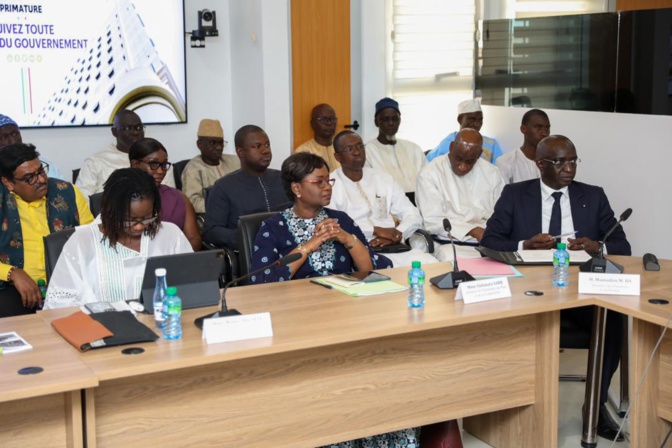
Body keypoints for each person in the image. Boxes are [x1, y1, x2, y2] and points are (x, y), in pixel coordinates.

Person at [480, 135, 630, 442]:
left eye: (573, 160)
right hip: (529, 295)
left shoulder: (593, 195)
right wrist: (525, 244)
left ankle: (595, 404)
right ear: (540, 164)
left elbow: (623, 246)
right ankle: (512, 407)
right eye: (560, 161)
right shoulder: (514, 195)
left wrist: (596, 246)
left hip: (580, 293)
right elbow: (489, 243)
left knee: (615, 320)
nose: (569, 168)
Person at [44, 168, 192, 309]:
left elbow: (191, 283)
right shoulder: (83, 241)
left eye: (146, 219)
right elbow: (60, 303)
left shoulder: (170, 233)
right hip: (101, 328)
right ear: (110, 210)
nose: (139, 227)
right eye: (129, 220)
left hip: (162, 321)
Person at [249, 152, 393, 284]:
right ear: (296, 188)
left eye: (328, 180)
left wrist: (347, 238)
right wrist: (308, 246)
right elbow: (262, 281)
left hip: (344, 300)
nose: (328, 187)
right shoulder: (273, 228)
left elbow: (370, 271)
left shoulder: (341, 220)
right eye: (319, 182)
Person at [0, 143, 94, 316]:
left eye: (41, 171)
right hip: (11, 289)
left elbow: (92, 239)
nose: (42, 180)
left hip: (69, 285)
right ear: (8, 182)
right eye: (30, 178)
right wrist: (12, 273)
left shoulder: (68, 193)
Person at [329, 130, 438, 267]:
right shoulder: (330, 186)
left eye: (359, 147)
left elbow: (412, 214)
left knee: (431, 264)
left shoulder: (383, 179)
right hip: (356, 250)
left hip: (393, 246)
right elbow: (336, 225)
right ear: (337, 157)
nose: (357, 152)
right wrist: (375, 230)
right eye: (349, 149)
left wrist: (398, 233)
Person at [416, 128, 505, 262]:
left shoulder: (492, 173)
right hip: (448, 242)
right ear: (451, 147)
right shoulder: (429, 174)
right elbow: (433, 221)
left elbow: (502, 213)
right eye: (458, 158)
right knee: (453, 259)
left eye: (470, 161)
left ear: (479, 154)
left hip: (488, 240)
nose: (462, 167)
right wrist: (473, 230)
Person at [202, 125, 289, 250]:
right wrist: (246, 237)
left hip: (289, 248)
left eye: (267, 145)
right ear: (240, 152)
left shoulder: (283, 178)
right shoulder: (223, 186)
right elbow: (211, 232)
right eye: (257, 146)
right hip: (249, 253)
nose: (265, 150)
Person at [75, 109, 175, 197]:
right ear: (114, 132)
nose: (135, 132)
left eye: (139, 128)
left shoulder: (159, 163)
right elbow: (82, 202)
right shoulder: (95, 163)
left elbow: (170, 197)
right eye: (127, 128)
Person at [129, 138, 202, 251]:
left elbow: (193, 238)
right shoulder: (119, 198)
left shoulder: (179, 198)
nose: (161, 171)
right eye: (154, 164)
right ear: (135, 164)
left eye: (164, 165)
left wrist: (173, 260)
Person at [364, 97, 426, 199]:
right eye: (385, 119)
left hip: (418, 202)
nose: (391, 123)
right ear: (376, 122)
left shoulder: (414, 149)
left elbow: (427, 180)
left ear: (399, 121)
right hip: (388, 204)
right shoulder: (367, 152)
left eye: (395, 119)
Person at [181, 118, 240, 214]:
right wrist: (223, 205)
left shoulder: (235, 161)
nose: (219, 147)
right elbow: (191, 202)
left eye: (221, 143)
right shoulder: (192, 170)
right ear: (199, 144)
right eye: (212, 143)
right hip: (210, 218)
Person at [426, 99, 503, 163]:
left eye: (480, 120)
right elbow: (429, 163)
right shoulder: (448, 142)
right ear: (460, 120)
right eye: (471, 119)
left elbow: (499, 169)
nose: (477, 124)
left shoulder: (492, 144)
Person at [0, 114, 66, 181]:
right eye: (3, 137)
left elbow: (59, 188)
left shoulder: (42, 164)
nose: (13, 141)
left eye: (15, 134)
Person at [496, 109, 550, 184]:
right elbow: (502, 194)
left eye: (547, 128)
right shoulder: (506, 162)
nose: (544, 133)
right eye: (538, 127)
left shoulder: (552, 162)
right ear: (523, 129)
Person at [294, 103, 340, 171]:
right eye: (323, 119)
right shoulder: (303, 152)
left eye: (332, 119)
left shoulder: (342, 148)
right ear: (313, 124)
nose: (329, 123)